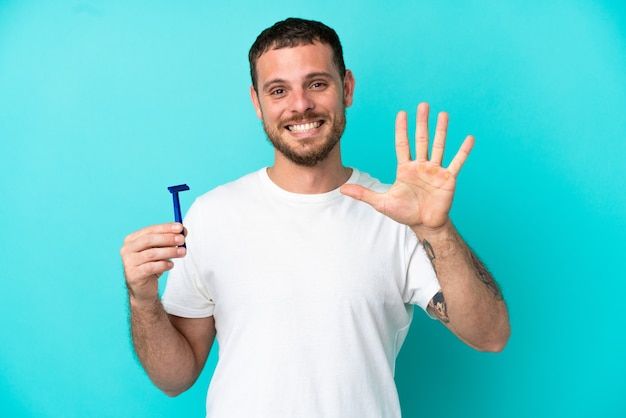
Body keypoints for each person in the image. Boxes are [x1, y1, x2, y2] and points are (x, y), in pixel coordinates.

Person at [120, 17, 510, 418]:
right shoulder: (212, 215)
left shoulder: (396, 213)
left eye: (317, 84)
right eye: (278, 90)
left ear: (348, 88)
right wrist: (143, 300)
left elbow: (491, 335)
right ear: (257, 102)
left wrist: (436, 230)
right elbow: (175, 379)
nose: (300, 104)